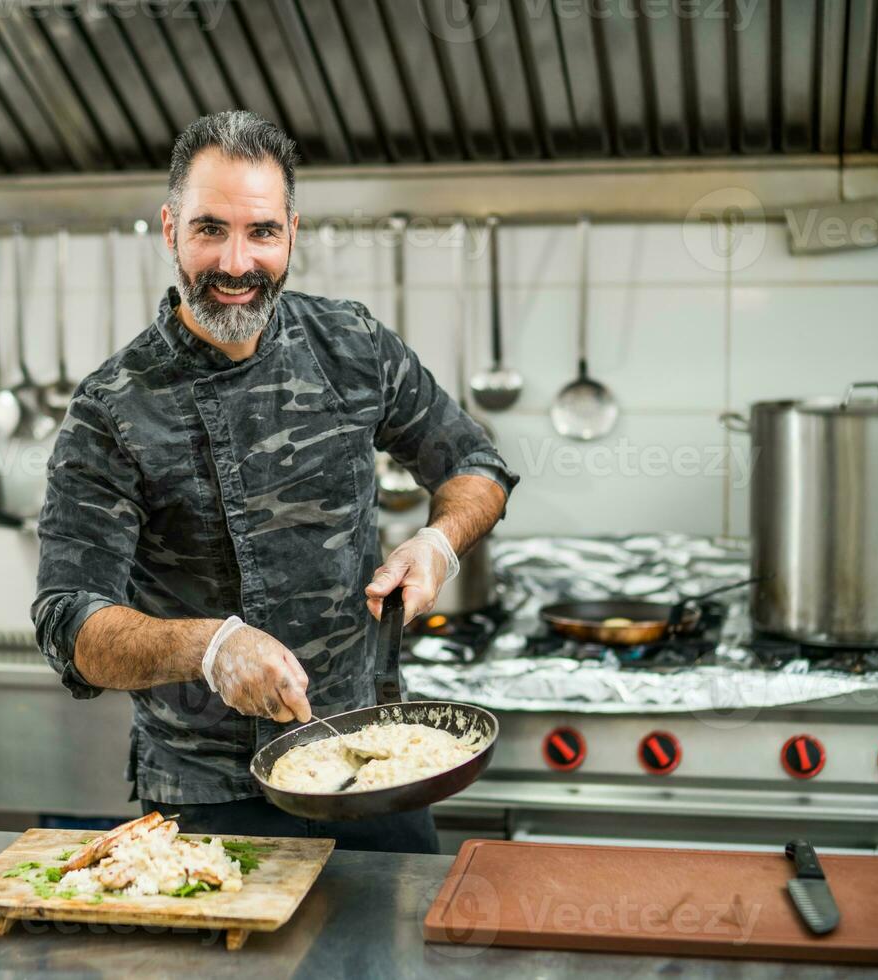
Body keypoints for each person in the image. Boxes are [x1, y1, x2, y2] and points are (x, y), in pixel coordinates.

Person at [33, 110, 516, 852]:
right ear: (169, 231)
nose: (235, 264)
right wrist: (209, 647)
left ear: (292, 233)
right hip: (212, 797)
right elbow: (68, 620)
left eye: (260, 232)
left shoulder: (351, 345)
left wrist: (439, 545)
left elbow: (473, 465)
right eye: (208, 230)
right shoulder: (113, 408)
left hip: (374, 763)